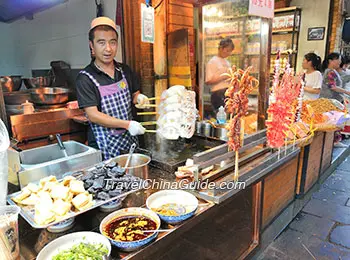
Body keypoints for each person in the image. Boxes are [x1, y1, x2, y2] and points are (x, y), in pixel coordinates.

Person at [76, 17, 149, 159]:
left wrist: (139, 98)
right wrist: (127, 124)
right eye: (101, 42)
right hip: (104, 144)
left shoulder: (124, 70)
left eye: (112, 42)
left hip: (129, 140)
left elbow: (134, 94)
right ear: (92, 45)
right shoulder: (85, 78)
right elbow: (93, 115)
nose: (108, 49)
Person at [205, 37, 235, 111]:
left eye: (230, 51)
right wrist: (223, 76)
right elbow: (208, 81)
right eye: (227, 50)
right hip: (218, 94)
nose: (229, 53)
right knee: (221, 117)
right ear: (221, 48)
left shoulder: (227, 62)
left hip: (228, 93)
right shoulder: (212, 62)